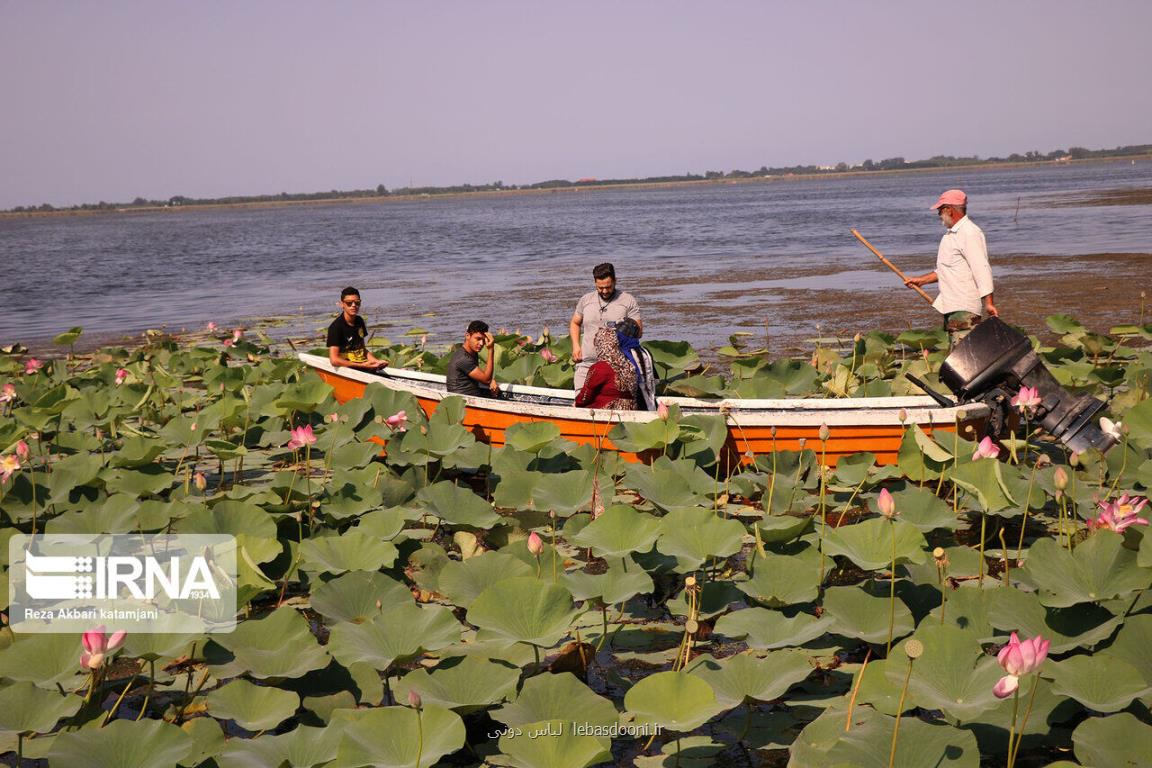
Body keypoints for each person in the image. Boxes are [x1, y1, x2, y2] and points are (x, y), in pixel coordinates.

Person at [905, 189, 998, 345]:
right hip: (951, 308)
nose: (938, 214)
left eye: (940, 210)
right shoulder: (950, 235)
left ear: (949, 209)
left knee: (966, 356)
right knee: (959, 356)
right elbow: (945, 270)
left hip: (964, 309)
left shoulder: (969, 233)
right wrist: (921, 281)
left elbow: (981, 269)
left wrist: (989, 303)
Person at [570, 262, 642, 390]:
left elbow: (639, 331)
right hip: (587, 364)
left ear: (615, 281)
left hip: (615, 366)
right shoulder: (585, 300)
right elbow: (575, 323)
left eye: (608, 287)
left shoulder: (627, 301)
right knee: (580, 403)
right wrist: (576, 346)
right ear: (595, 283)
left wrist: (626, 327)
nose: (604, 291)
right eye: (600, 288)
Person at [327, 286, 388, 370]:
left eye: (357, 302)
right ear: (342, 304)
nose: (353, 305)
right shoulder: (336, 327)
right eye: (349, 303)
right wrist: (363, 365)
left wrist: (376, 362)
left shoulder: (359, 321)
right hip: (349, 368)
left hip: (363, 364)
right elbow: (334, 360)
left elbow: (362, 350)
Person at [575, 327, 637, 409]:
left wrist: (577, 403)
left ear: (600, 344)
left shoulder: (600, 367)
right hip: (630, 409)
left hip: (607, 410)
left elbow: (585, 397)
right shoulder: (629, 364)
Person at [446, 320, 500, 398]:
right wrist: (491, 349)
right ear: (467, 336)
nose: (481, 343)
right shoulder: (463, 358)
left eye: (483, 339)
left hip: (473, 395)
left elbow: (484, 378)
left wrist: (490, 380)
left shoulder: (472, 352)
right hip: (462, 401)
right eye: (478, 339)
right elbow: (486, 379)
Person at [616, 317, 658, 410]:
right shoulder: (645, 352)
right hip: (651, 404)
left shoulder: (622, 355)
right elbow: (656, 380)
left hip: (635, 405)